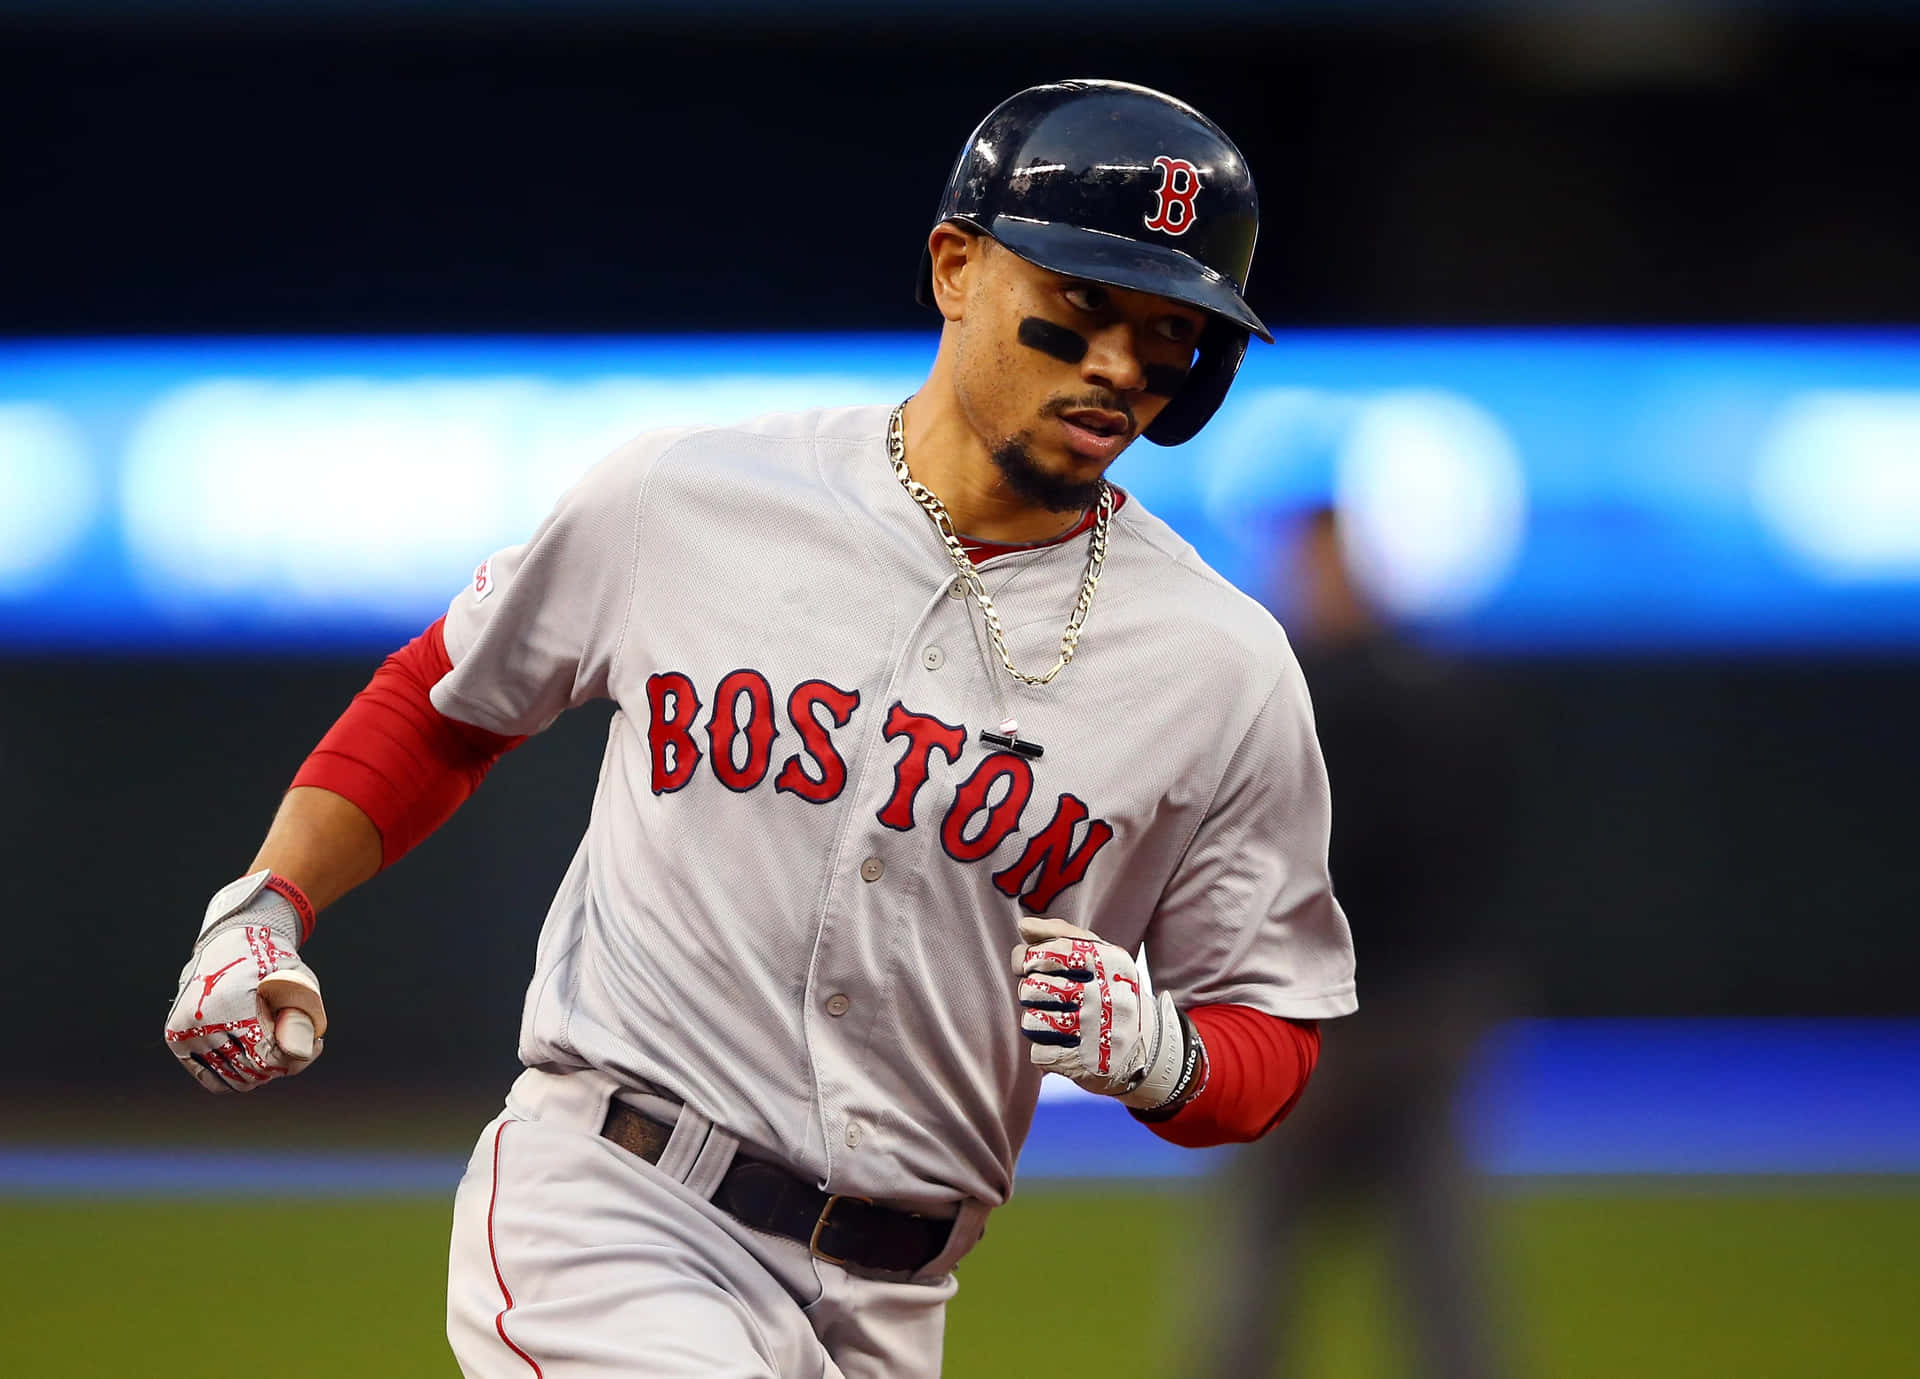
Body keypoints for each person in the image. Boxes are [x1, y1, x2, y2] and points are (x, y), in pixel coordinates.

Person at [162, 79, 1356, 1379]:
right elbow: (446, 699)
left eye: (1168, 331)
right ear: (956, 268)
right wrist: (266, 904)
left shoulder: (1221, 664)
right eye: (1080, 306)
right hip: (615, 1208)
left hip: (896, 1299)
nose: (1119, 364)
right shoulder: (695, 495)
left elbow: (1275, 1034)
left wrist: (1168, 1052)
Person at [1190, 505, 1513, 1379]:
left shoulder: (1314, 692)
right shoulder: (1427, 684)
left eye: (1322, 565)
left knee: (1403, 1257)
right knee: (1290, 1256)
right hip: (1380, 1007)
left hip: (1368, 1010)